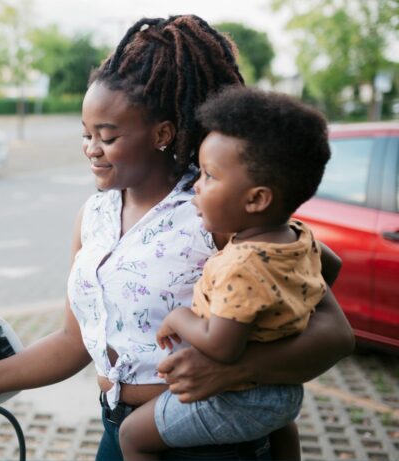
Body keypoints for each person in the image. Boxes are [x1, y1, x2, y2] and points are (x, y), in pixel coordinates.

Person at [0, 15, 354, 460]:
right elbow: (74, 343)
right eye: (87, 135)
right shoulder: (95, 216)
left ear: (162, 133)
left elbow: (334, 332)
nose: (91, 148)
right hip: (120, 433)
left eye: (107, 136)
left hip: (209, 440)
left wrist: (233, 371)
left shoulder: (215, 207)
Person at [118, 86, 333, 461]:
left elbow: (221, 346)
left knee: (133, 436)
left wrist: (179, 317)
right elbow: (332, 268)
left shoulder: (243, 263)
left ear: (256, 199)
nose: (196, 186)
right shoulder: (296, 237)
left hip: (240, 396)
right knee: (279, 428)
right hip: (283, 392)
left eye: (209, 176)